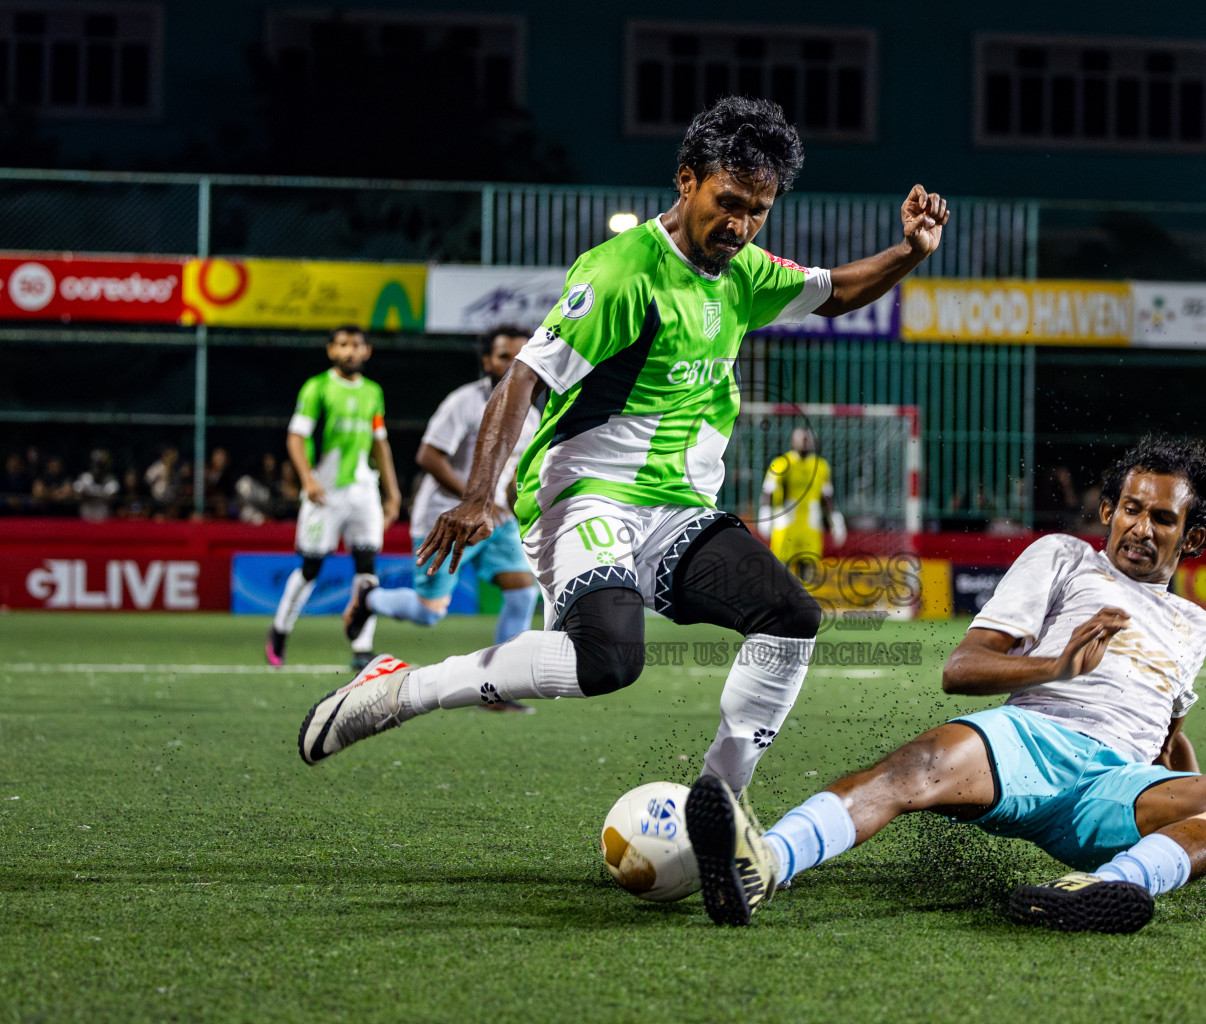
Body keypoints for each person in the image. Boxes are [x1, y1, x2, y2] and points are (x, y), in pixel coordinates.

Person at [296, 95, 948, 798]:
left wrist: (910, 251)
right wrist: (480, 495)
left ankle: (719, 804)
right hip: (584, 495)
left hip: (676, 510)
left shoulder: (744, 271)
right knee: (608, 661)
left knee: (791, 615)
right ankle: (404, 689)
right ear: (686, 179)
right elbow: (523, 377)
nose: (740, 223)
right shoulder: (619, 275)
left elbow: (837, 291)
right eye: (728, 200)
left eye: (758, 209)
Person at [685, 435, 1206, 934]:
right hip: (1027, 742)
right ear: (1108, 511)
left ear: (1193, 537)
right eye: (1131, 508)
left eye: (1162, 518)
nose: (1140, 527)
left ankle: (1106, 888)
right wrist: (1057, 668)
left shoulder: (1192, 624)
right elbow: (961, 668)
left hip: (1118, 785)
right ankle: (765, 862)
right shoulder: (1063, 558)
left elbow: (1169, 740)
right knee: (913, 766)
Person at [342, 326, 542, 711]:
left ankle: (495, 689)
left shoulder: (530, 414)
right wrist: (475, 500)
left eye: (522, 355)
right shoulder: (463, 403)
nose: (513, 363)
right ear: (487, 361)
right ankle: (371, 597)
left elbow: (514, 474)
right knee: (428, 612)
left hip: (496, 521)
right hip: (446, 519)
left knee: (522, 593)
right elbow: (428, 457)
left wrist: (522, 506)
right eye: (504, 355)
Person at [266, 325, 401, 671]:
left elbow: (379, 443)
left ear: (367, 351)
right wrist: (307, 479)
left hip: (363, 490)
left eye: (357, 345)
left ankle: (362, 646)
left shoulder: (374, 392)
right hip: (324, 491)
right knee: (311, 568)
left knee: (367, 566)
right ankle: (280, 629)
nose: (350, 351)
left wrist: (392, 492)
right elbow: (296, 437)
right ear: (331, 351)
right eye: (343, 345)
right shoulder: (317, 388)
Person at [758, 426, 845, 580]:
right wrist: (765, 513)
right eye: (801, 439)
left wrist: (835, 519)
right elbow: (768, 491)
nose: (805, 443)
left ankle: (803, 600)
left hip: (810, 523)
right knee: (781, 567)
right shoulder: (781, 463)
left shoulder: (821, 466)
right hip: (786, 522)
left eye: (807, 439)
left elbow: (827, 496)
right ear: (793, 441)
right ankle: (780, 601)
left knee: (808, 566)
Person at [74, 449, 120, 522]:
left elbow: (111, 497)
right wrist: (101, 496)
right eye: (95, 464)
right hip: (85, 520)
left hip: (103, 521)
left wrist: (89, 495)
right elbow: (77, 494)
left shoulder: (111, 480)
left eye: (100, 465)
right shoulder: (85, 477)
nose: (97, 468)